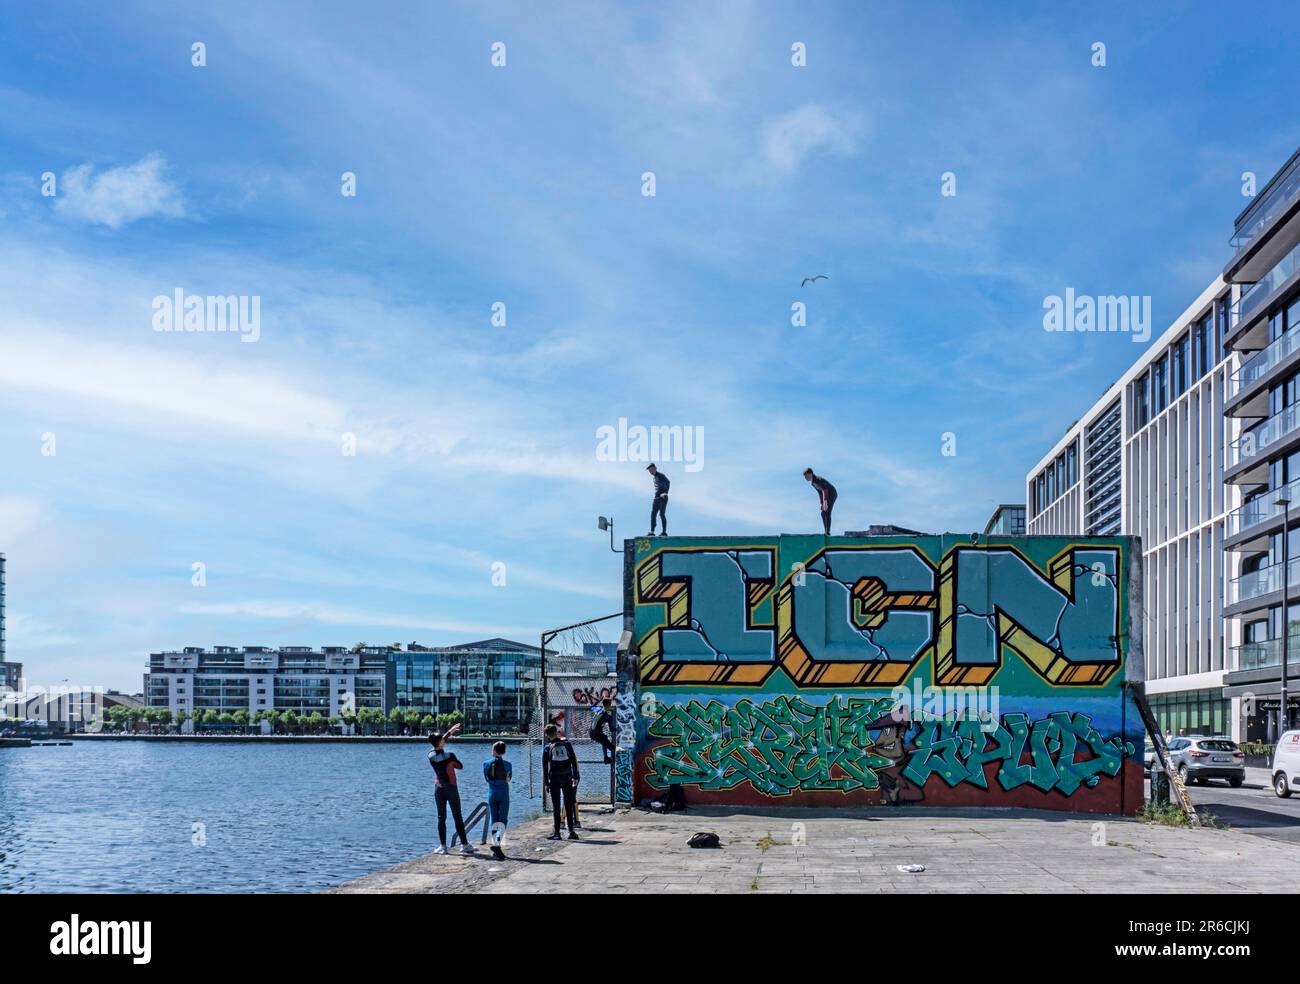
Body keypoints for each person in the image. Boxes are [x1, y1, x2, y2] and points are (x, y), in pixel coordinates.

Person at [428, 724, 474, 855]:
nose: (444, 740)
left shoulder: (430, 755)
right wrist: (453, 763)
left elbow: (439, 749)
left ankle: (443, 847)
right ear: (440, 743)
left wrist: (449, 732)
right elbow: (460, 766)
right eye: (442, 740)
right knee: (457, 816)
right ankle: (464, 844)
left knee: (441, 817)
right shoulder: (450, 755)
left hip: (439, 789)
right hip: (451, 788)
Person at [542, 722, 580, 840]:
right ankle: (571, 832)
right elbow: (573, 760)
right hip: (567, 776)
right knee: (568, 803)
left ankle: (557, 833)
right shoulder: (566, 744)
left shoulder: (547, 747)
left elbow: (545, 767)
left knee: (556, 806)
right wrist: (575, 776)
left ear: (547, 735)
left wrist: (546, 783)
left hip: (554, 778)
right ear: (556, 732)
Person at [482, 740, 512, 860]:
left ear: (494, 750)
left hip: (492, 792)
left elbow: (486, 778)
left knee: (494, 819)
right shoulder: (508, 764)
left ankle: (496, 845)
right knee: (503, 819)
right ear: (504, 752)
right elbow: (509, 779)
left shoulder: (486, 763)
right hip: (503, 792)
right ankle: (497, 843)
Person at [803, 468, 837, 535]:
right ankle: (826, 531)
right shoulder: (813, 483)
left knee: (827, 512)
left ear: (810, 474)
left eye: (806, 476)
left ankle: (828, 531)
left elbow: (825, 490)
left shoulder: (817, 479)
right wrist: (821, 503)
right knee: (822, 513)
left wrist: (825, 502)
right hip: (825, 495)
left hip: (832, 494)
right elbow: (820, 492)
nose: (805, 478)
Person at [646, 463, 670, 536]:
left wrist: (665, 493)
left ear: (655, 468)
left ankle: (664, 532)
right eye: (650, 471)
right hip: (657, 498)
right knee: (653, 514)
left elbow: (668, 482)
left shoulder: (660, 475)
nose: (651, 472)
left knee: (662, 514)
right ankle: (652, 531)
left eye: (652, 470)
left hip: (663, 497)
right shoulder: (655, 477)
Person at [592, 698, 616, 764]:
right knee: (613, 748)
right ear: (608, 705)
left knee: (604, 740)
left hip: (591, 733)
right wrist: (617, 729)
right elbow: (611, 729)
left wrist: (598, 700)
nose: (610, 706)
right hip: (597, 734)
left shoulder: (598, 710)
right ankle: (613, 761)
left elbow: (593, 706)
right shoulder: (607, 716)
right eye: (610, 705)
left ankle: (606, 758)